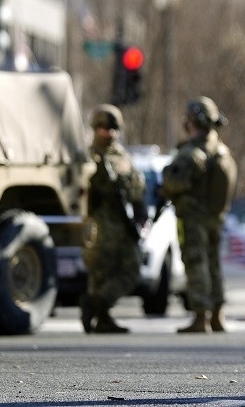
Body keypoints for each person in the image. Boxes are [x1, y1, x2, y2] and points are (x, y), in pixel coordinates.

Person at [161, 96, 237, 333]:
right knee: (213, 263)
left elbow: (174, 182)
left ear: (192, 121)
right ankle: (217, 315)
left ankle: (200, 317)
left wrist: (166, 183)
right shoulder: (221, 150)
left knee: (196, 263)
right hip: (216, 217)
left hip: (194, 218)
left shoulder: (191, 152)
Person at [80, 104, 147, 334]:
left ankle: (96, 304)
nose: (109, 133)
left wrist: (140, 211)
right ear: (95, 128)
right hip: (99, 225)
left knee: (132, 270)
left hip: (123, 224)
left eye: (113, 128)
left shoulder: (122, 156)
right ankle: (102, 317)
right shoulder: (88, 157)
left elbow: (136, 186)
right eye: (103, 128)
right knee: (100, 273)